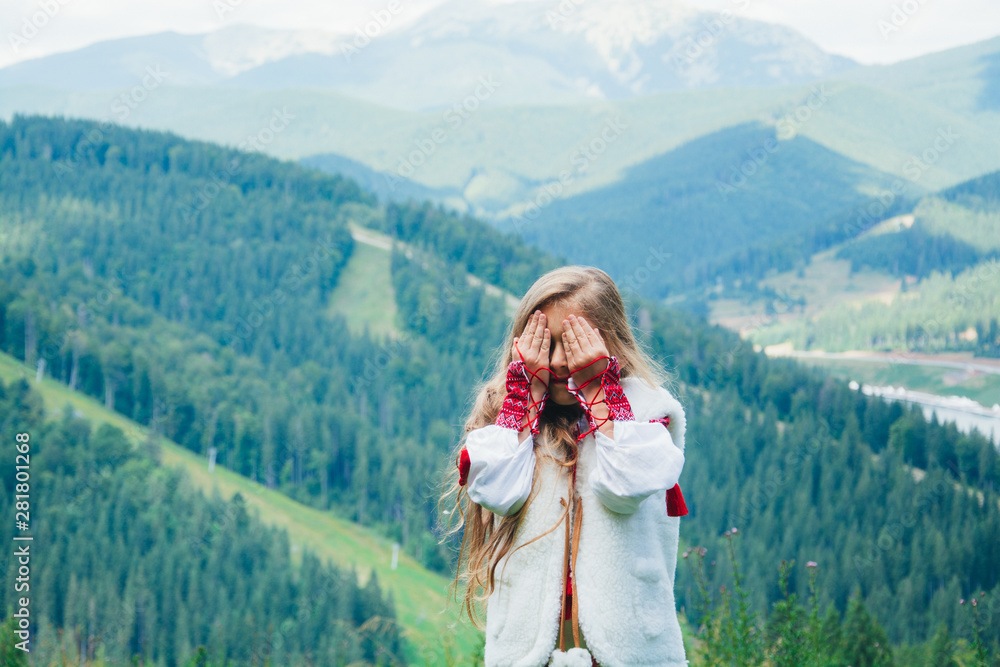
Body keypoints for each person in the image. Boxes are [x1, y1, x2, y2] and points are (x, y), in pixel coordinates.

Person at [439, 266, 689, 667]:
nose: (556, 360)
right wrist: (524, 398)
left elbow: (624, 488)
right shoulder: (510, 422)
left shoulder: (645, 416)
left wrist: (600, 393)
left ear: (609, 343)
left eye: (571, 343)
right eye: (544, 342)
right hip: (527, 655)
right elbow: (500, 494)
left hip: (628, 652)